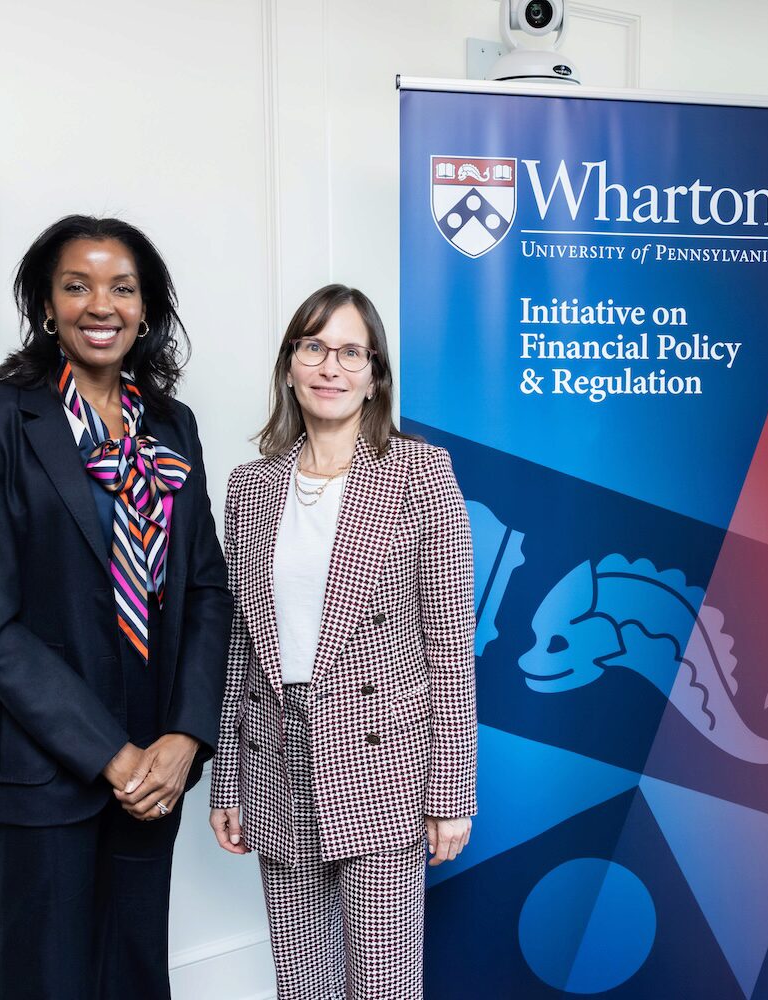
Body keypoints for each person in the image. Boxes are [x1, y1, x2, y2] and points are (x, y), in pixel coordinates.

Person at [0, 215, 230, 1000]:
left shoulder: (171, 426)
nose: (99, 305)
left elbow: (205, 586)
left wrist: (183, 735)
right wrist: (111, 753)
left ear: (145, 310)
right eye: (77, 285)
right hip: (42, 769)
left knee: (136, 977)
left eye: (122, 288)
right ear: (46, 305)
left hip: (157, 763)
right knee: (50, 982)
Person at [208, 284, 477, 998]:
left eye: (351, 351)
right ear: (290, 364)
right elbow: (240, 642)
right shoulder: (250, 485)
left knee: (382, 986)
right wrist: (226, 780)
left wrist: (451, 793)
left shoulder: (422, 473)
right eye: (314, 346)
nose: (331, 366)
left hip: (380, 764)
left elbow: (451, 646)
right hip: (276, 757)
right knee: (301, 985)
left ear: (375, 373)